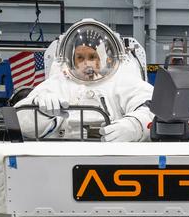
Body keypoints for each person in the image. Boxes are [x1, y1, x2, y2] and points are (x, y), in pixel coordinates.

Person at [16, 19, 153, 142]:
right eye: (80, 58)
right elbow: (19, 120)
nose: (87, 63)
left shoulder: (121, 81)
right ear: (71, 61)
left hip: (114, 156)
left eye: (92, 57)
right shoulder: (59, 83)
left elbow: (154, 107)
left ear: (103, 59)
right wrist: (39, 111)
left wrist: (136, 126)